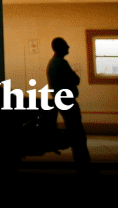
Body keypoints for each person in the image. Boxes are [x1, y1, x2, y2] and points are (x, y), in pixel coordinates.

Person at [47, 37, 91, 167]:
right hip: (68, 101)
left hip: (60, 100)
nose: (68, 47)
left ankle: (82, 164)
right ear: (60, 48)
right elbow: (76, 79)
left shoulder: (53, 63)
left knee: (75, 132)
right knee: (78, 135)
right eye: (66, 45)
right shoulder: (61, 63)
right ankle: (84, 165)